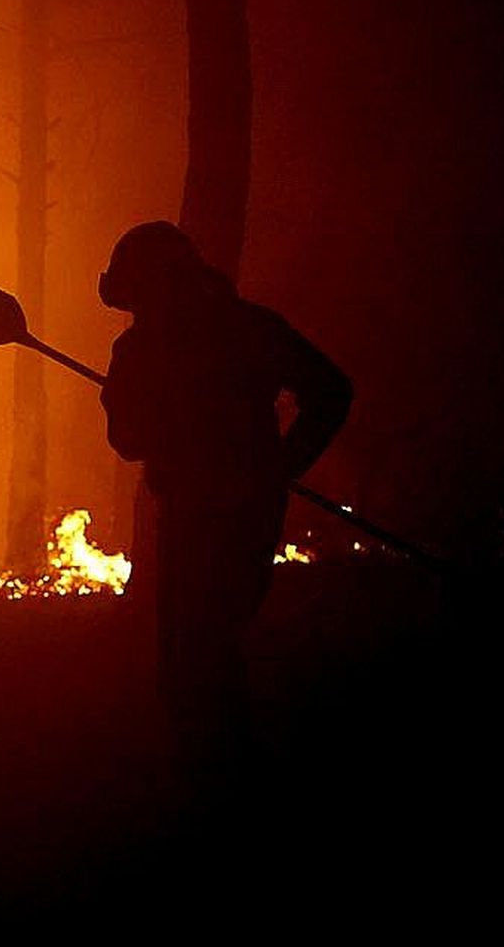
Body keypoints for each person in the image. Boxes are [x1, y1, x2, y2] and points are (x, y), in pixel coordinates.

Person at [99, 221, 353, 790]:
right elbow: (332, 391)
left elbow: (129, 441)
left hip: (199, 520)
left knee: (193, 660)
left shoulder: (144, 347)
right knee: (212, 649)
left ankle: (221, 787)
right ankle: (223, 781)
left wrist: (126, 401)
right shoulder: (247, 327)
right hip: (247, 516)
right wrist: (281, 469)